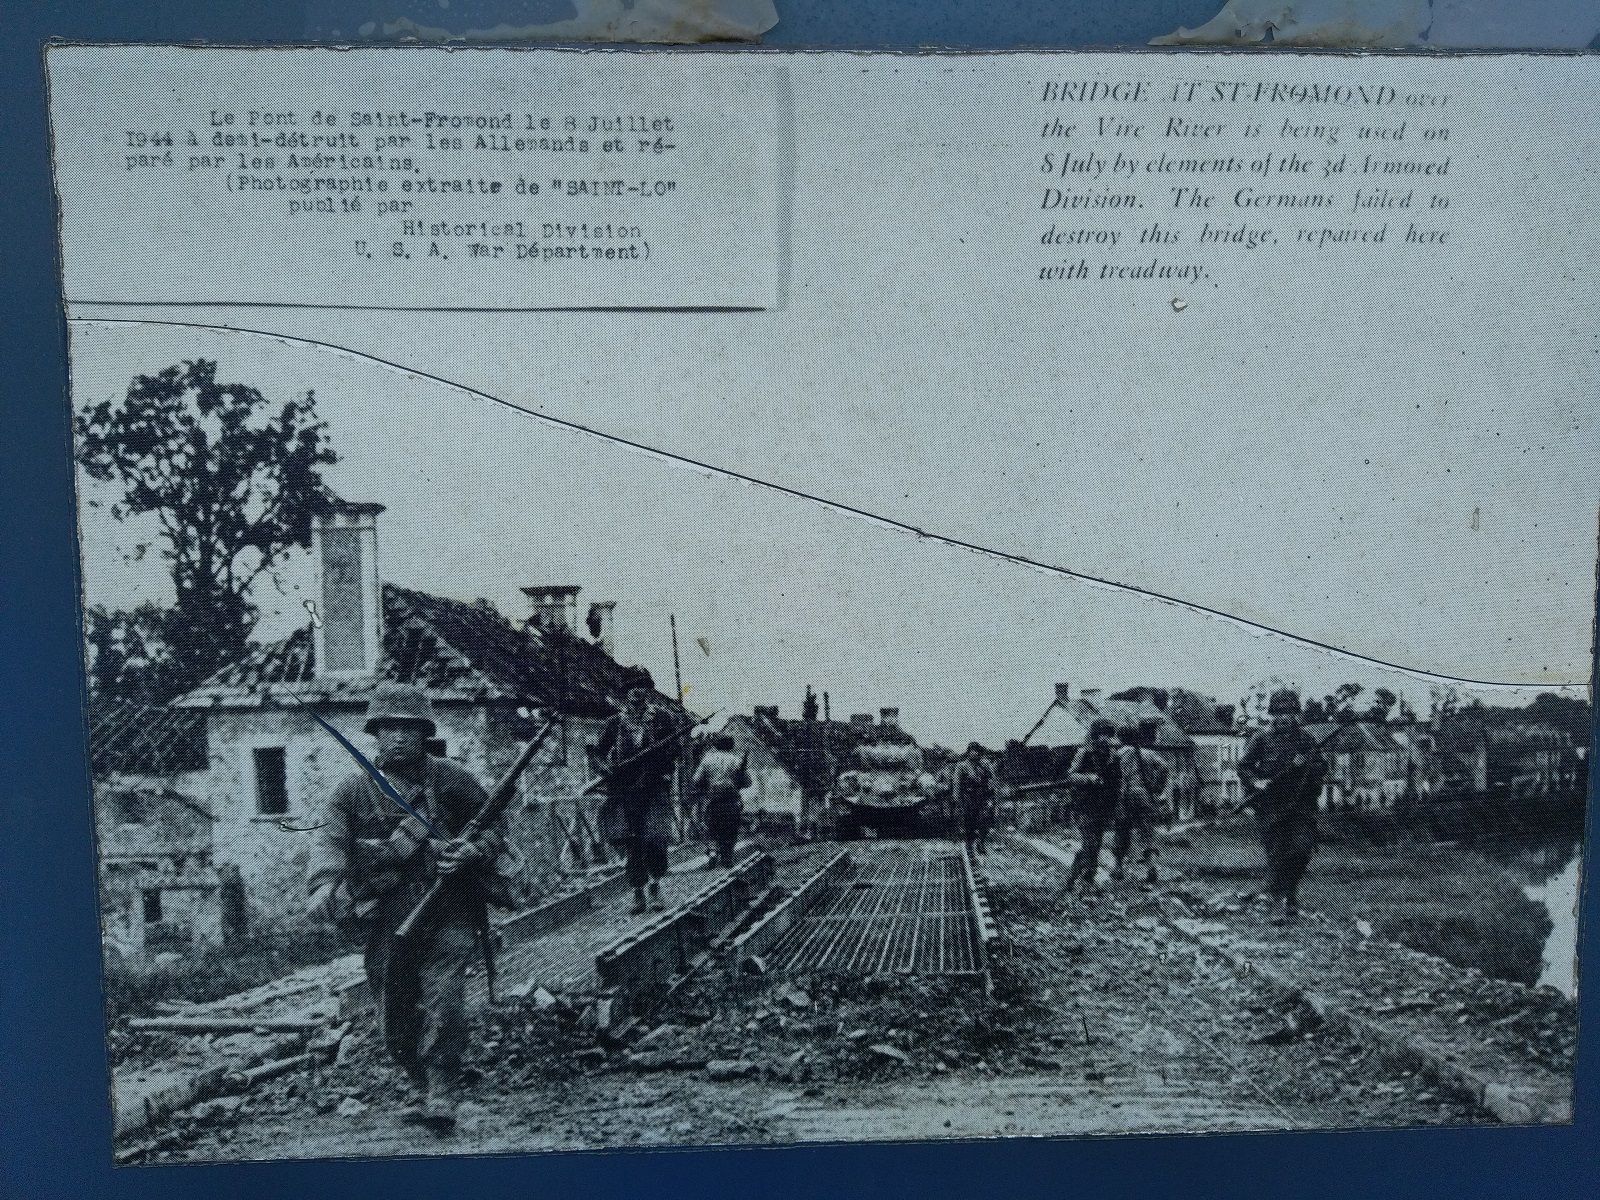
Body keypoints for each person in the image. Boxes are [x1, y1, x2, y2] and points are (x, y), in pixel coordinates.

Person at [306, 683, 513, 1134]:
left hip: (449, 906)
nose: (397, 737)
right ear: (374, 734)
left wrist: (472, 851)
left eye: (407, 728)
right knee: (391, 1009)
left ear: (424, 733)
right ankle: (421, 1084)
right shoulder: (353, 792)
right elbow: (331, 839)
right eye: (388, 728)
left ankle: (442, 1090)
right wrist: (324, 885)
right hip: (387, 914)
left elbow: (495, 827)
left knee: (445, 997)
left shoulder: (452, 780)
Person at [1236, 688, 1328, 917]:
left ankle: (1284, 893)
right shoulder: (1261, 738)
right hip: (1270, 807)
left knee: (1301, 850)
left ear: (1295, 713)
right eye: (1278, 713)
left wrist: (1306, 764)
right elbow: (1243, 766)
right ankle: (1283, 899)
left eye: (1288, 713)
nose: (1283, 718)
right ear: (1272, 715)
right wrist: (1256, 783)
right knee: (1277, 854)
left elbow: (1321, 768)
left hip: (1299, 805)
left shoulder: (1306, 739)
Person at [592, 687, 678, 914]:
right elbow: (598, 753)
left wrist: (662, 758)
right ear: (626, 697)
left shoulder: (662, 718)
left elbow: (675, 748)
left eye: (641, 690)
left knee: (655, 839)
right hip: (625, 790)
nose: (636, 697)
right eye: (631, 691)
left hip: (654, 786)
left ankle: (655, 887)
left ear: (646, 695)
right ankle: (638, 892)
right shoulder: (615, 723)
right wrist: (608, 769)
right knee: (632, 841)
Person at [1064, 719, 1122, 890]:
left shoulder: (1114, 757)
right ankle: (1086, 879)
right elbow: (1071, 776)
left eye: (1109, 735)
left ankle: (1075, 879)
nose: (1106, 739)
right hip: (1086, 806)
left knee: (1094, 845)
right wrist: (1089, 778)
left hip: (1103, 808)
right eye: (1102, 734)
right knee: (1091, 844)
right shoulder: (1084, 753)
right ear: (1095, 736)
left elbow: (1118, 781)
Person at [1112, 719, 1170, 884]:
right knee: (1146, 831)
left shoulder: (1117, 755)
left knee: (1121, 830)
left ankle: (1118, 868)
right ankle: (1151, 865)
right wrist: (1156, 787)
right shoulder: (1146, 753)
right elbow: (1164, 767)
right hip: (1143, 795)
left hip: (1122, 796)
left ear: (1120, 738)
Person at [692, 733, 751, 868]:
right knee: (731, 830)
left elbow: (696, 780)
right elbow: (748, 782)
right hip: (732, 801)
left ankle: (713, 851)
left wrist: (706, 785)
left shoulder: (707, 760)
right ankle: (727, 858)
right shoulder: (736, 760)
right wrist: (738, 781)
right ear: (731, 746)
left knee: (712, 828)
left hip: (714, 801)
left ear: (715, 745)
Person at [952, 742, 997, 857]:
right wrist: (956, 798)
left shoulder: (985, 764)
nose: (975, 753)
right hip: (969, 797)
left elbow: (992, 779)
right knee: (969, 822)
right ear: (968, 752)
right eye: (972, 751)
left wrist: (991, 795)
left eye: (977, 751)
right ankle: (969, 845)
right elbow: (957, 783)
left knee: (984, 820)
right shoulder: (962, 766)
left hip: (982, 797)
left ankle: (981, 843)